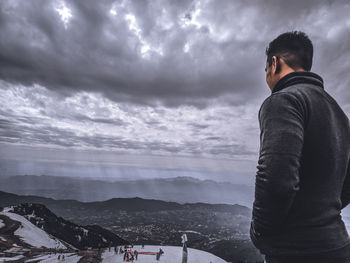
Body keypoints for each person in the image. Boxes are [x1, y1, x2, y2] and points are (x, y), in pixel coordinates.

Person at [250, 31, 350, 262]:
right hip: (339, 247)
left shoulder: (284, 100)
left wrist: (260, 233)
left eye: (266, 70)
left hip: (296, 251)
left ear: (274, 63)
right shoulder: (339, 112)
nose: (267, 77)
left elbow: (275, 177)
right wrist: (321, 213)